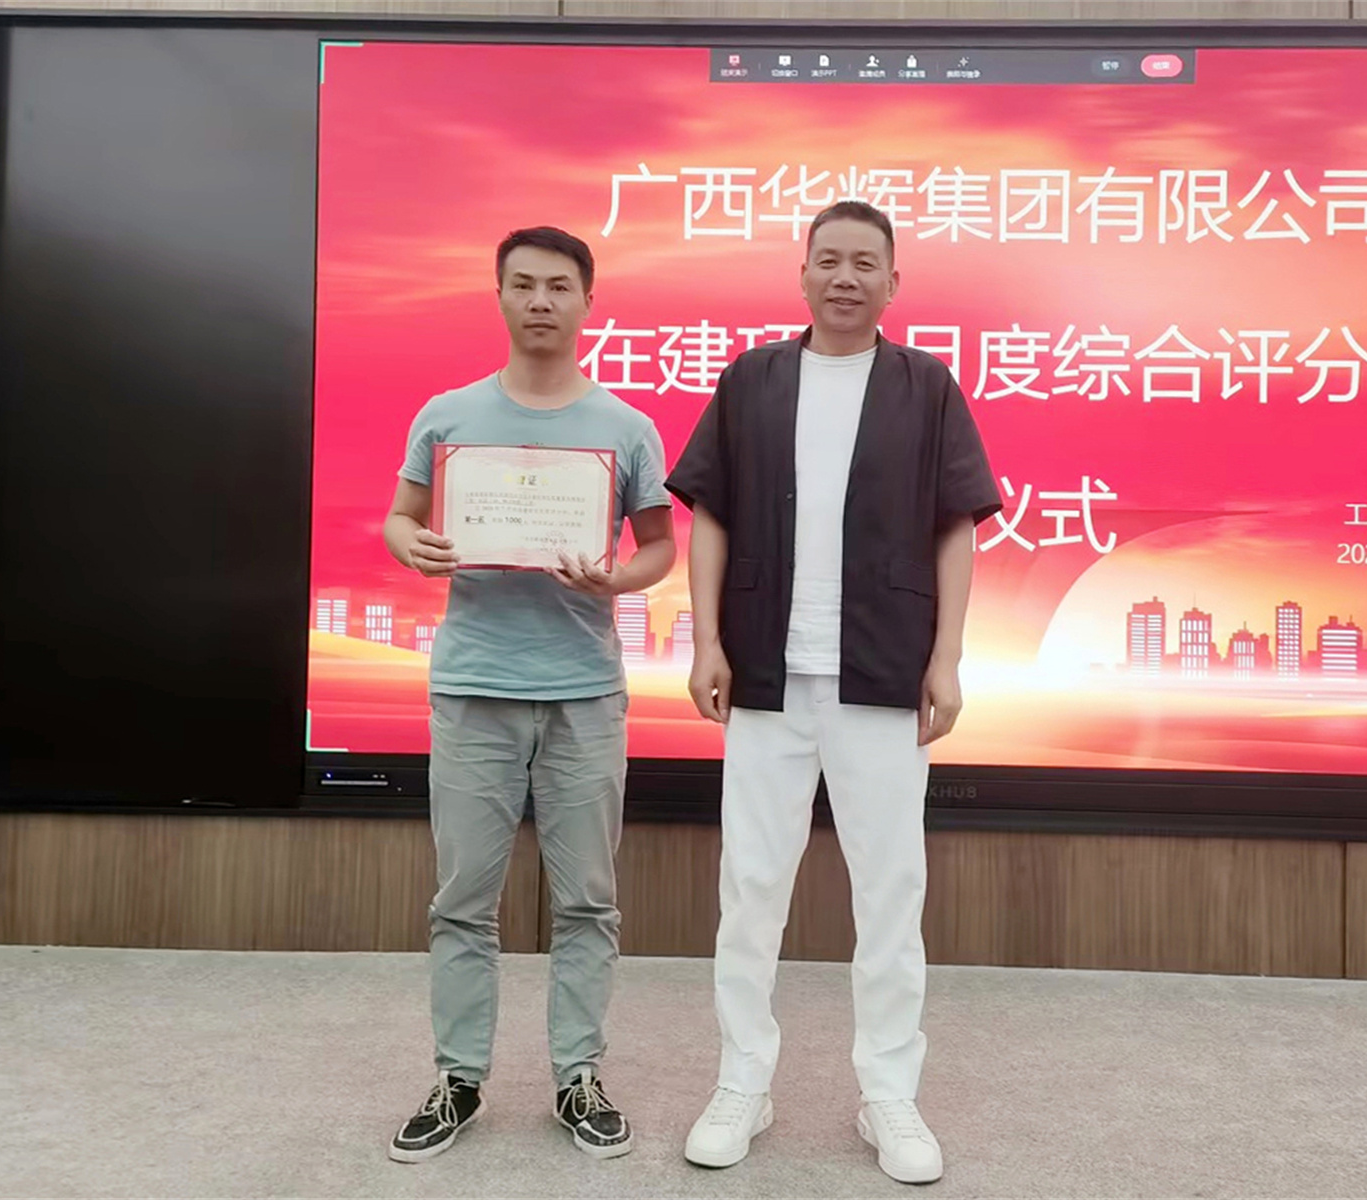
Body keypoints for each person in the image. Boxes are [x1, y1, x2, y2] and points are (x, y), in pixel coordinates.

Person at [666, 200, 1000, 1184]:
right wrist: (707, 640)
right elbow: (711, 515)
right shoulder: (753, 379)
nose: (845, 277)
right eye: (829, 260)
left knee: (891, 895)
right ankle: (742, 1082)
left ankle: (888, 1094)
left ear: (894, 283)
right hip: (764, 673)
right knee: (750, 892)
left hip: (883, 671)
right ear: (802, 273)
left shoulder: (925, 386)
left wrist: (947, 658)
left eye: (865, 263)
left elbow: (955, 526)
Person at [381, 226, 675, 1163]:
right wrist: (412, 547)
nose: (540, 300)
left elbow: (661, 548)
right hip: (475, 686)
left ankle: (577, 1076)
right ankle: (458, 1079)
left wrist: (616, 579)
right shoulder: (448, 416)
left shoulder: (625, 427)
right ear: (500, 296)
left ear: (587, 302)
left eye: (557, 286)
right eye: (522, 284)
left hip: (584, 692)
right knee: (462, 900)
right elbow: (400, 517)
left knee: (587, 902)